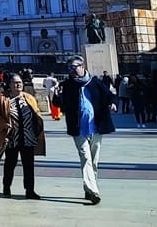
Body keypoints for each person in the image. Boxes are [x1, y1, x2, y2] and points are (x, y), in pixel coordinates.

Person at [52, 56, 117, 205]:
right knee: (86, 158)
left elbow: (110, 96)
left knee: (94, 161)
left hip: (96, 127)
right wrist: (56, 94)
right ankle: (94, 192)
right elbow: (59, 104)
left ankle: (88, 189)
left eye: (74, 67)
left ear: (82, 67)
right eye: (69, 69)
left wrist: (112, 104)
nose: (72, 71)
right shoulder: (67, 85)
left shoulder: (95, 83)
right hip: (78, 129)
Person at [0, 74, 44, 199]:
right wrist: (4, 124)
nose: (18, 84)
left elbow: (36, 113)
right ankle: (6, 187)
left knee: (29, 166)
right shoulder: (2, 99)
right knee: (10, 164)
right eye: (15, 82)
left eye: (20, 82)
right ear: (9, 85)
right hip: (12, 138)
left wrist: (37, 128)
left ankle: (30, 190)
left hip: (28, 137)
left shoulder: (29, 98)